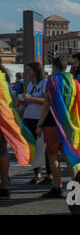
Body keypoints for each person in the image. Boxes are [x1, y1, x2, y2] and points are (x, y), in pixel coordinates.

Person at [35, 57, 76, 198]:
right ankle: (76, 189)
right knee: (69, 156)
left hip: (52, 125)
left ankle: (57, 187)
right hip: (68, 125)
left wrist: (39, 124)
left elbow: (46, 104)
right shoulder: (75, 82)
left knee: (52, 156)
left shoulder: (52, 81)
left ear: (55, 67)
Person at [23, 61, 53, 185]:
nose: (28, 73)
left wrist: (31, 99)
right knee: (32, 147)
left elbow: (47, 100)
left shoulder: (45, 82)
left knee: (44, 148)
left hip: (39, 119)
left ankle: (49, 174)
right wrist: (23, 101)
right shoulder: (30, 84)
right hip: (28, 117)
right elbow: (29, 100)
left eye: (29, 70)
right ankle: (37, 173)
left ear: (36, 70)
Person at [0, 64, 11, 199]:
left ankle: (4, 186)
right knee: (3, 151)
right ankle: (4, 186)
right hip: (5, 118)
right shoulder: (4, 77)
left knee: (2, 152)